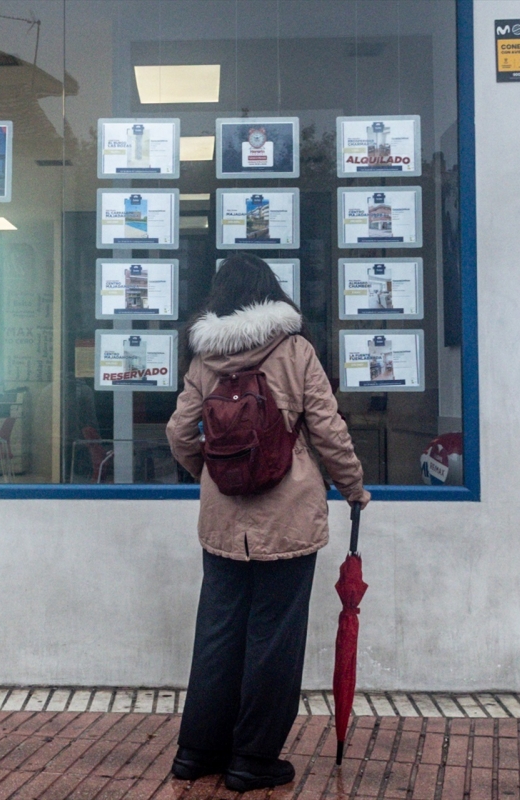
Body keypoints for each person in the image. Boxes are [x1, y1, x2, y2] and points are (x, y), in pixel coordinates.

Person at [165, 253, 370, 792]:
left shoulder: (205, 359)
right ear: (270, 293)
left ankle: (197, 752)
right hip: (288, 519)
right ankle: (252, 759)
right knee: (273, 640)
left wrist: (211, 474)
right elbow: (327, 430)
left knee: (218, 634)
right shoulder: (295, 350)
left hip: (223, 524)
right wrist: (353, 487)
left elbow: (180, 434)